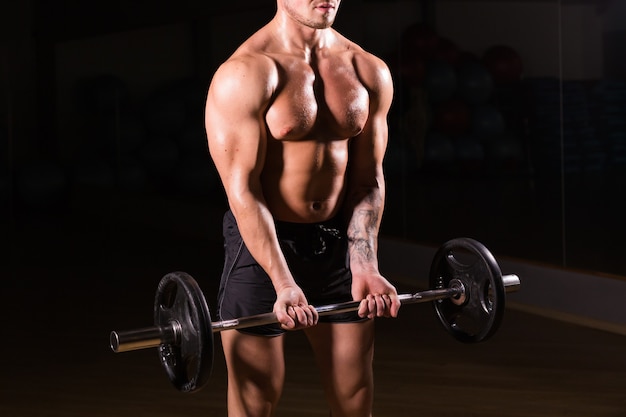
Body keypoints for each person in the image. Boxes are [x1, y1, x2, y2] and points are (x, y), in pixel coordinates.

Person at [204, 1, 400, 416]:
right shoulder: (246, 73)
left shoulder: (368, 70)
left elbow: (369, 180)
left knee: (354, 396)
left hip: (336, 244)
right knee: (255, 402)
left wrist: (365, 264)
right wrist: (281, 281)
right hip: (262, 246)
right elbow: (243, 190)